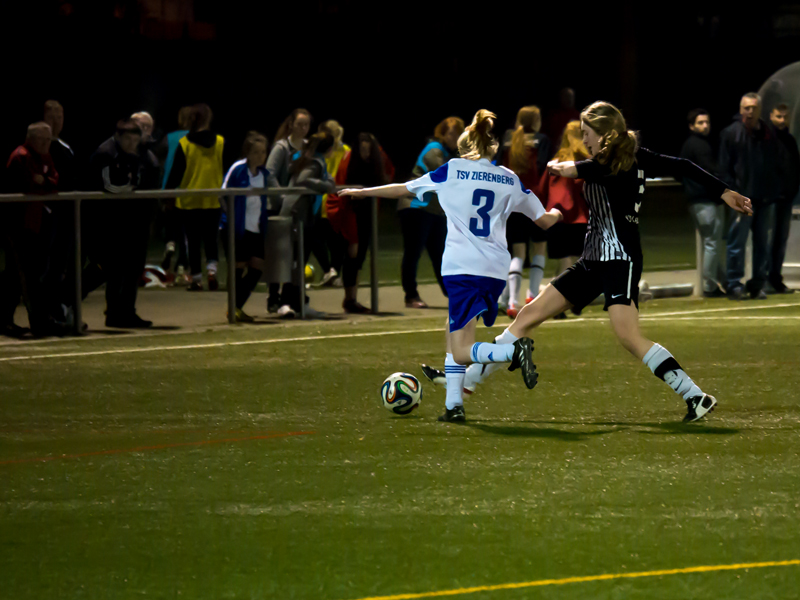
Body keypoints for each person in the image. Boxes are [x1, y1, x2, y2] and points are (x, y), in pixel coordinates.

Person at [431, 102, 752, 423]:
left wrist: (566, 168)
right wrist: (723, 191)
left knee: (629, 336)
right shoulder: (621, 158)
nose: (585, 139)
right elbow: (683, 165)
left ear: (604, 134)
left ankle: (695, 395)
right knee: (528, 315)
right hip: (592, 260)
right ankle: (467, 383)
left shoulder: (617, 163)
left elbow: (593, 170)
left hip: (619, 261)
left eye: (587, 134)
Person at [340, 110, 563, 422]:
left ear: (465, 147)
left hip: (463, 268)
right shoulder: (509, 178)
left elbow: (405, 188)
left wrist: (362, 192)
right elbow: (544, 221)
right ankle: (453, 406)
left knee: (461, 349)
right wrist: (558, 210)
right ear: (493, 147)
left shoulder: (453, 170)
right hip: (495, 269)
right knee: (452, 329)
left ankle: (511, 353)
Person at [83, 119, 159, 328]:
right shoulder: (106, 154)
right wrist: (133, 189)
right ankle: (72, 302)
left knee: (134, 268)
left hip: (136, 219)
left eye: (135, 138)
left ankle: (127, 311)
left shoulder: (144, 154)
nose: (132, 143)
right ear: (118, 136)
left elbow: (152, 178)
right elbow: (107, 186)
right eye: (128, 138)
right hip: (111, 221)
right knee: (110, 267)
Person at [719, 93, 789, 300]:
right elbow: (723, 168)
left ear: (760, 109)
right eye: (746, 108)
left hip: (765, 197)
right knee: (737, 243)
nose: (750, 112)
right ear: (741, 110)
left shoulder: (768, 134)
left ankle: (757, 284)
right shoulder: (731, 134)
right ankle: (734, 284)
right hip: (741, 197)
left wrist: (775, 189)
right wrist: (731, 193)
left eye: (753, 108)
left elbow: (775, 163)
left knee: (762, 245)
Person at [1, 122, 64, 338]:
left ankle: (39, 320)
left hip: (37, 224)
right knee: (20, 276)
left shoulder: (45, 156)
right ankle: (25, 322)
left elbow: (53, 182)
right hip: (18, 225)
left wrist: (44, 181)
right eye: (42, 139)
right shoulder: (21, 156)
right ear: (31, 138)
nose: (47, 143)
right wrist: (44, 183)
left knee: (35, 273)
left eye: (49, 139)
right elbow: (30, 185)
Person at [398, 116, 465, 308]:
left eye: (459, 133)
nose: (455, 137)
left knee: (441, 254)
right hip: (416, 207)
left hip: (434, 211)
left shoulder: (453, 154)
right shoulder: (434, 149)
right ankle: (411, 295)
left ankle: (453, 295)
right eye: (452, 133)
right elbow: (444, 174)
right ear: (443, 133)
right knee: (413, 252)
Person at [495, 106, 552, 317]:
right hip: (534, 200)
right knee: (539, 247)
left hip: (511, 201)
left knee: (517, 251)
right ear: (536, 120)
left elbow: (498, 167)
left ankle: (511, 302)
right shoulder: (542, 140)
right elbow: (544, 167)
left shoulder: (509, 138)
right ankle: (532, 295)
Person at [327, 132, 389, 313]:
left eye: (369, 150)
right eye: (363, 149)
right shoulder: (348, 161)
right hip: (349, 210)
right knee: (352, 253)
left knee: (360, 255)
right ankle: (350, 298)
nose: (366, 153)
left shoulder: (375, 161)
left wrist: (376, 146)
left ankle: (351, 298)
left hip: (367, 212)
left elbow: (388, 173)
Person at [278, 131, 337, 318]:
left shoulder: (308, 157)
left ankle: (297, 302)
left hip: (301, 214)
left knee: (297, 260)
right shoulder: (315, 161)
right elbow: (304, 179)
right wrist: (327, 185)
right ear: (327, 148)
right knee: (295, 260)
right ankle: (285, 302)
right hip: (297, 214)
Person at [166, 104, 225, 291]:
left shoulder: (185, 143)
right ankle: (212, 271)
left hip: (189, 200)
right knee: (211, 239)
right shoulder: (221, 142)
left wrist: (166, 194)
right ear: (209, 119)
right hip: (213, 199)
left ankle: (197, 278)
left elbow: (176, 173)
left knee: (193, 241)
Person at [536, 120, 590, 317]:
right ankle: (570, 301)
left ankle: (559, 303)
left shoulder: (554, 162)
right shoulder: (584, 161)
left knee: (562, 264)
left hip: (555, 217)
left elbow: (541, 190)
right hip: (579, 218)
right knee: (577, 263)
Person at [220, 132, 271, 322]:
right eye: (256, 152)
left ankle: (236, 306)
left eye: (263, 152)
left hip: (256, 228)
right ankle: (233, 309)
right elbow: (223, 194)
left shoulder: (264, 174)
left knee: (257, 267)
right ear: (247, 153)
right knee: (238, 267)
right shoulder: (238, 169)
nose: (260, 156)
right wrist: (231, 219)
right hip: (237, 228)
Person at [265, 108, 310, 312]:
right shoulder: (281, 148)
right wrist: (283, 197)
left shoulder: (309, 148)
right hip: (278, 208)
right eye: (300, 123)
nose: (303, 128)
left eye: (306, 124)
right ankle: (273, 297)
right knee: (278, 254)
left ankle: (291, 295)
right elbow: (270, 174)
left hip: (299, 210)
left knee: (296, 254)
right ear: (291, 124)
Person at [679, 109, 726, 297]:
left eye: (706, 122)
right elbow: (711, 171)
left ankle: (721, 282)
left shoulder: (689, 145)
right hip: (705, 200)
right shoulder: (700, 146)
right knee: (712, 243)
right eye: (700, 123)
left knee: (711, 242)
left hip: (696, 200)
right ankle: (710, 286)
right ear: (691, 126)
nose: (705, 126)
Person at [768, 103, 799, 294]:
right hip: (770, 199)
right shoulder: (766, 139)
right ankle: (763, 278)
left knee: (780, 241)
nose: (782, 120)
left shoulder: (789, 140)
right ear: (771, 116)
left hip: (786, 198)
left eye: (784, 117)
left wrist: (792, 189)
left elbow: (795, 167)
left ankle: (775, 279)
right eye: (778, 116)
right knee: (768, 241)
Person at [316, 119, 351, 287]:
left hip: (333, 201)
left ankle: (331, 272)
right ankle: (331, 272)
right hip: (325, 200)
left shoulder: (344, 151)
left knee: (334, 242)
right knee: (322, 239)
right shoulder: (323, 150)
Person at [158, 106, 192, 282]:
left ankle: (169, 244)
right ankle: (181, 268)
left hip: (169, 187)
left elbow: (162, 162)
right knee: (185, 230)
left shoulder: (168, 138)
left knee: (171, 222)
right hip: (188, 187)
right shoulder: (195, 139)